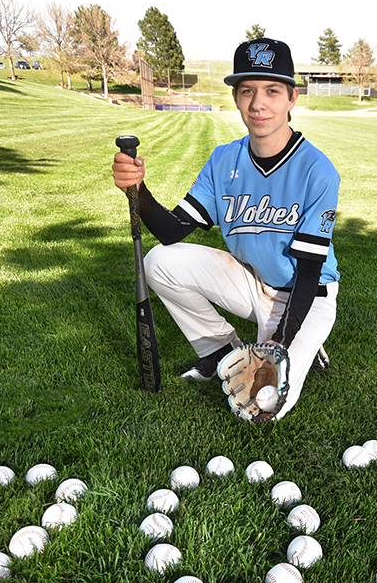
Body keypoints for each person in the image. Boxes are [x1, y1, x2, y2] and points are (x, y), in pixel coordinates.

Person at [111, 37, 340, 421]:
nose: (258, 103)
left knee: (263, 405)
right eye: (247, 91)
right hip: (252, 284)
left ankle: (305, 340)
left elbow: (310, 272)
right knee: (160, 261)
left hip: (308, 295)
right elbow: (172, 231)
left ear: (291, 99)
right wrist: (138, 190)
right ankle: (219, 350)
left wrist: (280, 343)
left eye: (272, 90)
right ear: (236, 98)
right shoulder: (224, 160)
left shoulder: (317, 170)